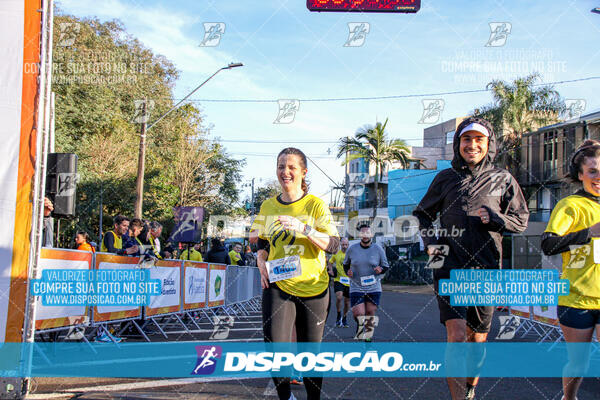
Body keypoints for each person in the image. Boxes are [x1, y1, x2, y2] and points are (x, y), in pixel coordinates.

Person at [413, 116, 529, 400]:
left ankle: (470, 388)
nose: (472, 145)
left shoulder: (503, 178)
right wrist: (433, 245)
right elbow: (423, 214)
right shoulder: (445, 178)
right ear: (458, 144)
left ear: (488, 144)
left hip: (486, 267)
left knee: (476, 339)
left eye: (479, 140)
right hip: (449, 265)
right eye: (467, 139)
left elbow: (521, 220)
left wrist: (496, 219)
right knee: (456, 336)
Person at [251, 147, 339, 400]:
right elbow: (263, 242)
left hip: (314, 288)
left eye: (291, 167)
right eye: (281, 166)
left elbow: (332, 244)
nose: (285, 172)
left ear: (303, 172)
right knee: (275, 346)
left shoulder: (315, 204)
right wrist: (260, 258)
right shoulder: (268, 206)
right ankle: (285, 397)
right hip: (278, 284)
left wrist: (304, 228)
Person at [541, 140, 600, 400]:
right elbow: (548, 244)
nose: (599, 177)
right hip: (576, 298)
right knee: (579, 364)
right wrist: (589, 233)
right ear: (580, 175)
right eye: (593, 171)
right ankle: (569, 397)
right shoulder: (570, 206)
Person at [343, 225, 389, 340]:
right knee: (358, 314)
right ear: (360, 235)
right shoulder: (352, 249)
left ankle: (368, 338)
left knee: (370, 311)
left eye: (367, 233)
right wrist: (348, 272)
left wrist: (381, 269)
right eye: (363, 233)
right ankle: (360, 326)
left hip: (374, 286)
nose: (365, 235)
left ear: (371, 235)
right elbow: (345, 264)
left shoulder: (378, 249)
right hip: (356, 286)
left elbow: (385, 266)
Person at [328, 237, 350, 327]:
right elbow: (330, 262)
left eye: (346, 245)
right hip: (338, 280)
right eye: (343, 244)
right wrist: (330, 270)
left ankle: (344, 318)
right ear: (341, 245)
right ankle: (338, 315)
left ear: (348, 245)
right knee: (339, 297)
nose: (344, 246)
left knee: (347, 302)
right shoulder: (336, 253)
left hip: (349, 281)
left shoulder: (351, 255)